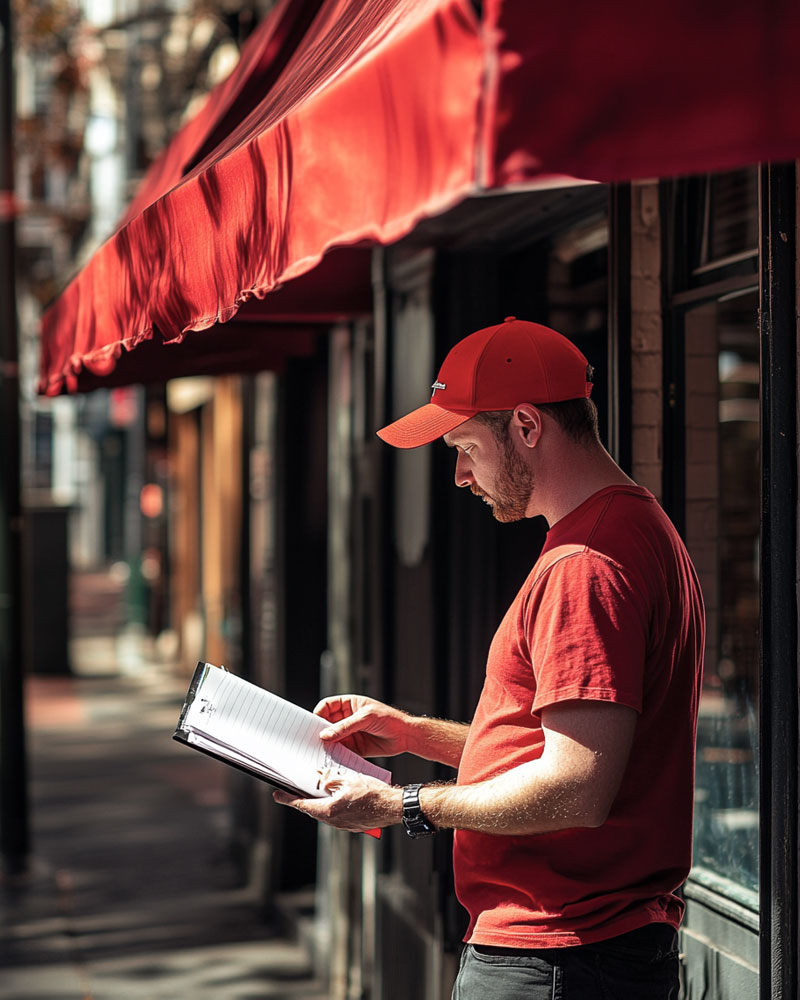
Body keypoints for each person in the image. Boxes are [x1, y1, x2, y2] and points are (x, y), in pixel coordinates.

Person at [273, 316, 705, 999]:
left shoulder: (585, 565)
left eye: (466, 446)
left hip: (559, 955)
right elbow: (560, 749)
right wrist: (415, 736)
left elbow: (577, 786)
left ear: (527, 426)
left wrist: (400, 804)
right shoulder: (630, 525)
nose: (458, 475)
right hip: (581, 950)